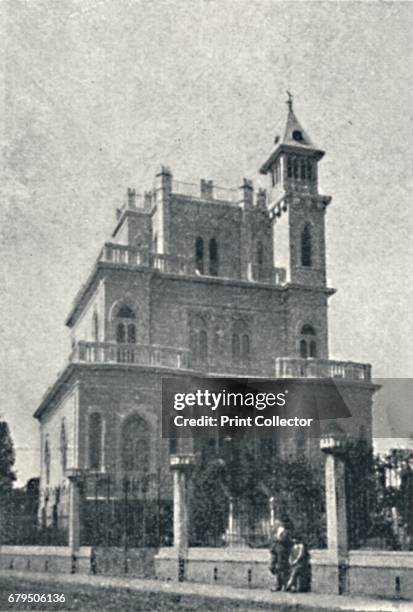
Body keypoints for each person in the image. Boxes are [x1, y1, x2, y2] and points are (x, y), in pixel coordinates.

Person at [269, 519, 292, 591]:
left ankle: (281, 585)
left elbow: (284, 540)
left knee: (282, 568)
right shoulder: (275, 531)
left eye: (278, 522)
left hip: (282, 552)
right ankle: (280, 584)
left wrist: (277, 539)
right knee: (271, 567)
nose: (276, 524)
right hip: (274, 551)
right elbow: (271, 539)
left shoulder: (286, 531)